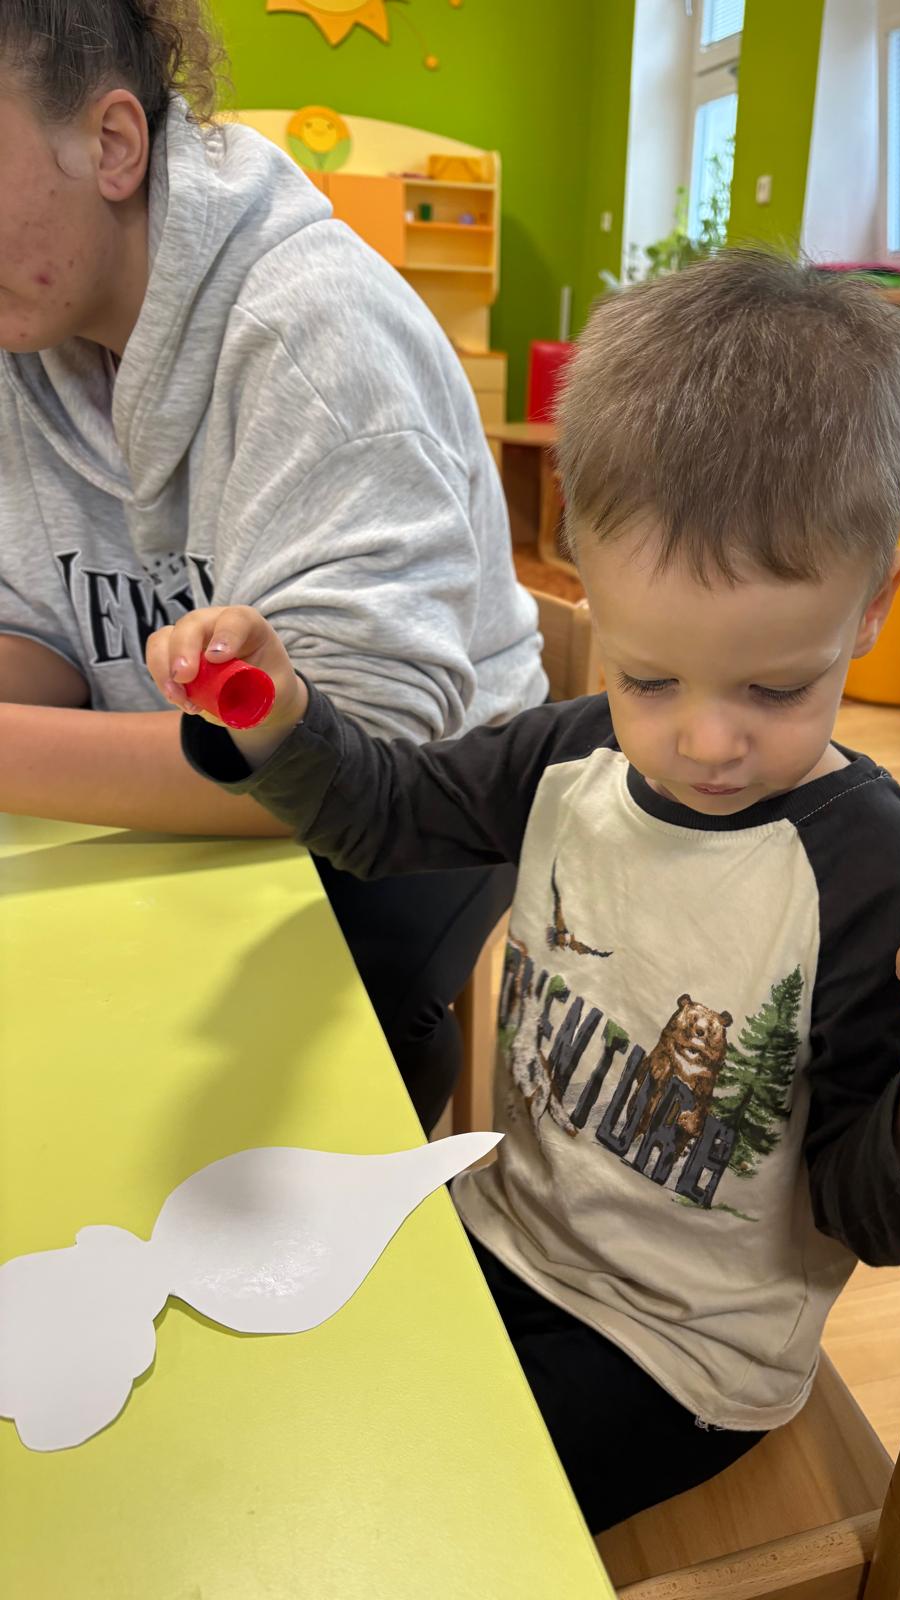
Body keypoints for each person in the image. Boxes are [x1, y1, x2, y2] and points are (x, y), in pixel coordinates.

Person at [145, 252, 900, 1533]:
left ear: (874, 606)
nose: (706, 743)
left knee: (403, 1514)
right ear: (581, 566)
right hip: (504, 1230)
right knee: (266, 1396)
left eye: (776, 687)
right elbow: (379, 815)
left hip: (681, 1357)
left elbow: (869, 1215)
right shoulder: (572, 756)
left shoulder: (872, 876)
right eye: (649, 678)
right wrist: (275, 712)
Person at [0, 1, 546, 1129]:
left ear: (112, 145)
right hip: (192, 771)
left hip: (425, 790)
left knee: (304, 1054)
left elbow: (348, 761)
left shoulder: (317, 333)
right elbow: (42, 630)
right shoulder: (29, 332)